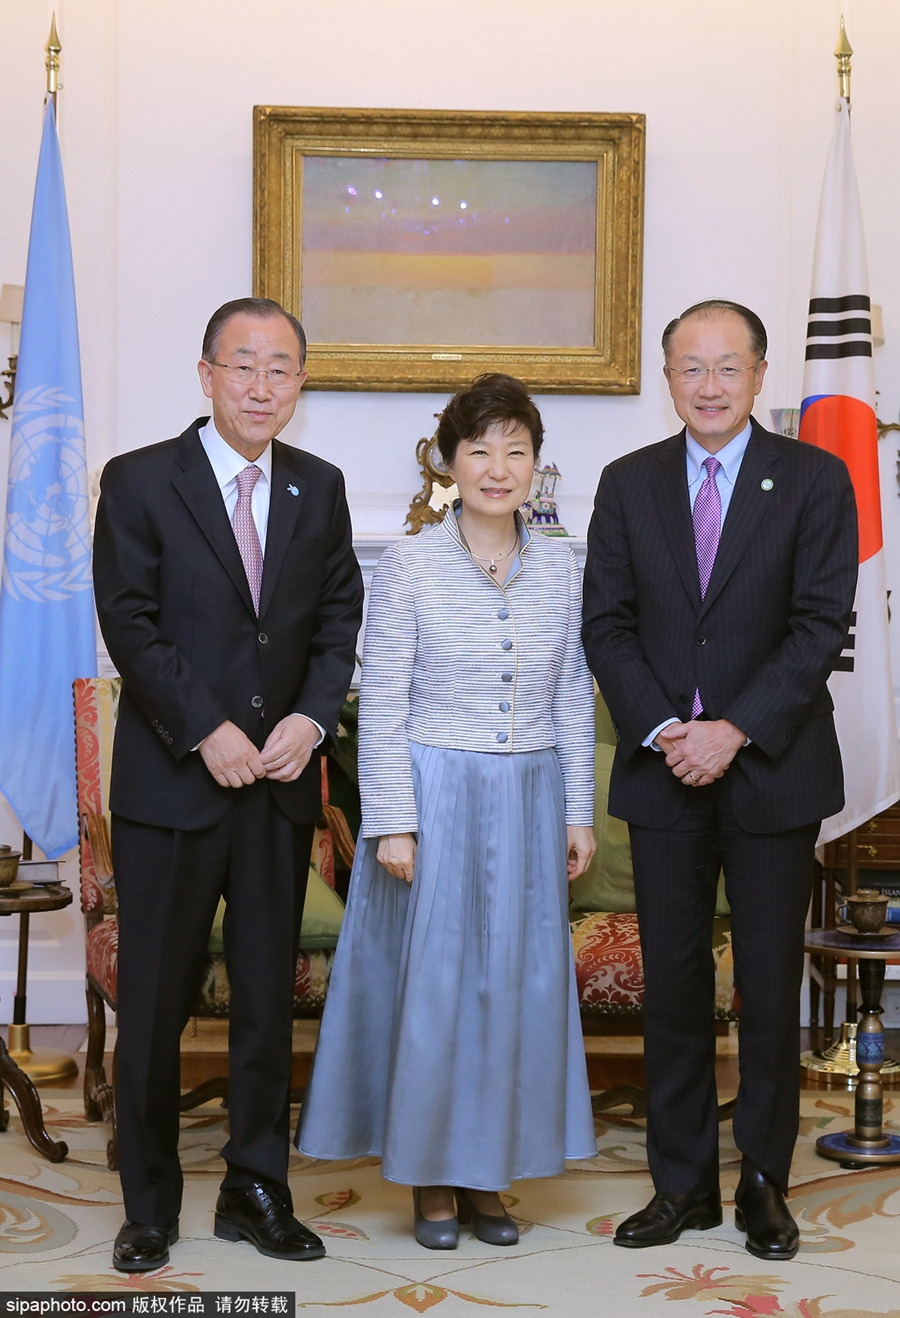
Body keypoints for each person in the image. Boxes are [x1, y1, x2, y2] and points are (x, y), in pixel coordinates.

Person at [582, 300, 858, 1262]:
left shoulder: (816, 479)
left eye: (727, 367)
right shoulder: (628, 483)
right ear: (668, 379)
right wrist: (669, 731)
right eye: (690, 368)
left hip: (773, 769)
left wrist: (733, 731)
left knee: (770, 990)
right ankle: (683, 1185)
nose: (709, 385)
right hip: (664, 772)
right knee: (673, 988)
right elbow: (606, 625)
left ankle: (765, 1185)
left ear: (759, 374)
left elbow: (820, 625)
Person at [93, 297, 364, 1272]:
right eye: (243, 365)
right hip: (172, 787)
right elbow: (129, 620)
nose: (261, 385)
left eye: (280, 368)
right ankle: (148, 1205)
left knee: (263, 1005)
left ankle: (257, 1190)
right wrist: (206, 728)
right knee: (154, 1006)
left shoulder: (318, 487)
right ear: (206, 374)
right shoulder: (138, 480)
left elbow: (337, 621)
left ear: (300, 383)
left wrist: (309, 719)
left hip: (277, 790)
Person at [297, 373, 598, 1248]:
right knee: (432, 994)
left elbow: (572, 696)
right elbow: (383, 701)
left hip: (531, 795)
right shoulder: (410, 564)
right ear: (449, 462)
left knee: (512, 989)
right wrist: (394, 821)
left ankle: (487, 1177)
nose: (498, 468)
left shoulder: (563, 566)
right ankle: (432, 1177)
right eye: (480, 450)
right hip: (433, 799)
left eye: (516, 451)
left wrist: (578, 812)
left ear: (537, 465)